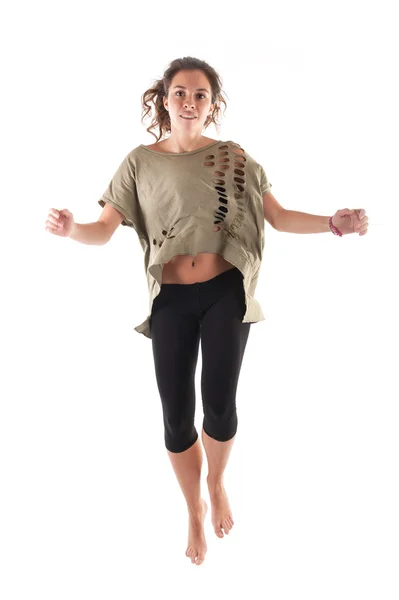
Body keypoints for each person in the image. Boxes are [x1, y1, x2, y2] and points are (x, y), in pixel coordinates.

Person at [44, 56, 369, 567]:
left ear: (212, 104)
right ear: (164, 100)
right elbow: (103, 230)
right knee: (176, 417)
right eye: (180, 93)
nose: (189, 102)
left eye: (199, 95)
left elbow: (277, 216)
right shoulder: (138, 162)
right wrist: (72, 230)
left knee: (218, 403)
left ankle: (216, 483)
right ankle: (192, 509)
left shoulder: (234, 158)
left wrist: (333, 222)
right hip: (171, 298)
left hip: (224, 290)